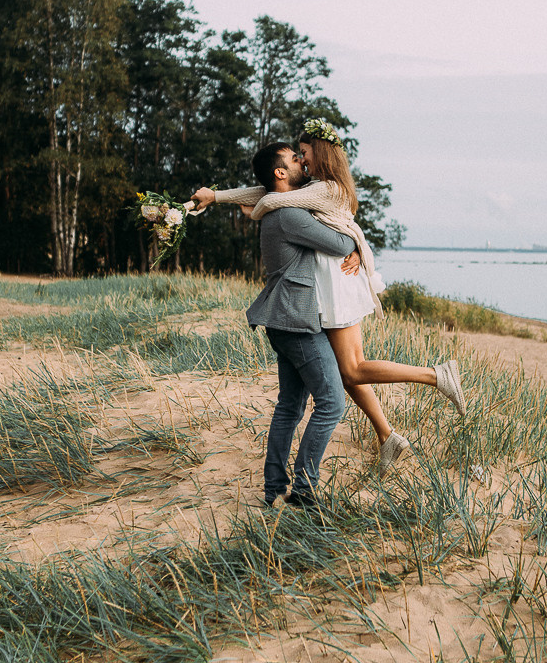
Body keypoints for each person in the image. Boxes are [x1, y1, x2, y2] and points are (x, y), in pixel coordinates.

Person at [191, 120, 466, 476]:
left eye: (303, 153)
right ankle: (388, 437)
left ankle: (435, 376)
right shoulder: (314, 187)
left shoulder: (328, 189)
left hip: (337, 280)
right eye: (297, 156)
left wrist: (256, 211)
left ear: (320, 153)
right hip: (327, 279)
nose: (302, 161)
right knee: (348, 372)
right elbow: (268, 192)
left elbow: (274, 198)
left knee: (350, 369)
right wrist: (217, 197)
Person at [240, 142, 361, 508]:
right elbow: (339, 243)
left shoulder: (281, 211)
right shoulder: (290, 216)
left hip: (283, 319)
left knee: (290, 408)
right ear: (280, 173)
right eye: (294, 159)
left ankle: (274, 489)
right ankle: (305, 491)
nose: (300, 162)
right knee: (331, 403)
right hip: (295, 320)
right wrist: (354, 242)